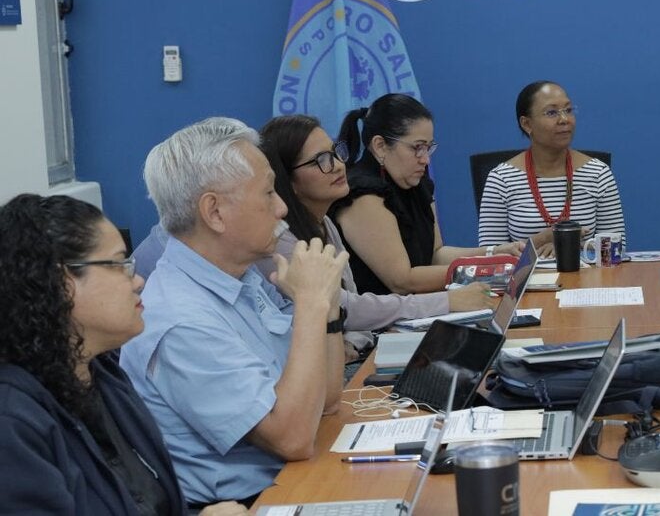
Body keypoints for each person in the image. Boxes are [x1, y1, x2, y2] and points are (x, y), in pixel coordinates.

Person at [121, 117, 349, 507]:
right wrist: (311, 303)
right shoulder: (179, 320)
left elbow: (325, 401)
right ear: (214, 213)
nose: (281, 208)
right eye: (267, 193)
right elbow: (292, 438)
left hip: (295, 480)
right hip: (252, 502)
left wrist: (326, 310)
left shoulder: (241, 276)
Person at [0, 194, 244, 515]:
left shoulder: (104, 373)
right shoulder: (13, 422)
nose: (138, 280)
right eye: (119, 264)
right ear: (63, 283)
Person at [254, 115, 501, 355]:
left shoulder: (325, 222)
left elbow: (349, 304)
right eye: (322, 160)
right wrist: (449, 300)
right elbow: (349, 303)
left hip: (358, 345)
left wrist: (494, 256)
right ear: (288, 180)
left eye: (335, 152)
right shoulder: (280, 239)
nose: (339, 165)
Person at [331, 94, 522, 295]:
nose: (426, 160)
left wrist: (494, 253)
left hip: (419, 309)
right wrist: (487, 272)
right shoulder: (362, 194)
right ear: (380, 146)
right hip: (382, 320)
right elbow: (402, 281)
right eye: (417, 148)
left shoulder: (415, 182)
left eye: (428, 148)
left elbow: (435, 254)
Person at [478, 81, 627, 256]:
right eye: (552, 112)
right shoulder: (501, 178)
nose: (564, 120)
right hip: (526, 282)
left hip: (586, 279)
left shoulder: (598, 173)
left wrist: (568, 247)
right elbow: (490, 256)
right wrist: (541, 240)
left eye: (568, 110)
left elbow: (617, 249)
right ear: (527, 124)